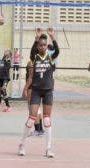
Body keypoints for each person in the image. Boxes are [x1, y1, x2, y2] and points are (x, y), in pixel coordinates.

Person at [18, 28, 59, 157]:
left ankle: (48, 149)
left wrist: (53, 36)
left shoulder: (51, 56)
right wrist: (36, 38)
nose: (42, 47)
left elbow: (57, 51)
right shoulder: (34, 57)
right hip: (36, 90)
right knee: (31, 119)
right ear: (38, 46)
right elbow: (32, 51)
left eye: (44, 45)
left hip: (48, 91)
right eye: (40, 45)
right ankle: (21, 145)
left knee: (47, 119)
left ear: (47, 46)